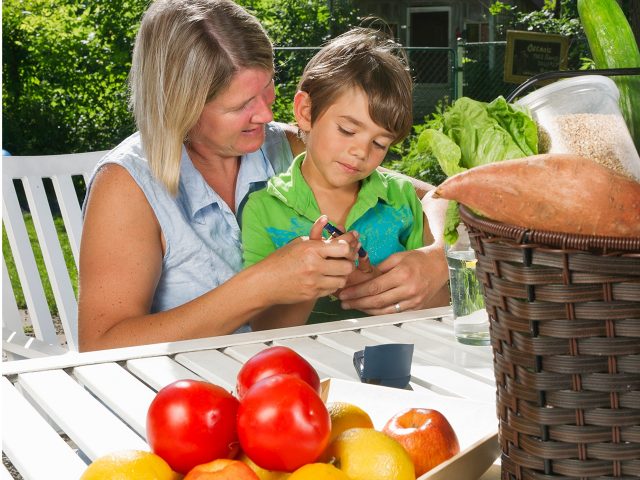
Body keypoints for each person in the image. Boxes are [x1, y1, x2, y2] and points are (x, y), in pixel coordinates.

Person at [78, 0, 448, 351]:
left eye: (267, 87)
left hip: (312, 368)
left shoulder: (287, 145)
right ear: (180, 106)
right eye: (241, 105)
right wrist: (261, 285)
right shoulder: (127, 184)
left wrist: (438, 259)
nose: (266, 115)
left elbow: (439, 197)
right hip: (197, 383)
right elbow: (100, 344)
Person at [241, 28, 449, 329]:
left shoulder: (401, 199)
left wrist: (388, 290)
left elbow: (440, 306)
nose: (361, 151)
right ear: (306, 111)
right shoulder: (262, 208)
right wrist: (313, 280)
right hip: (304, 357)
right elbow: (264, 330)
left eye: (380, 143)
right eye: (348, 130)